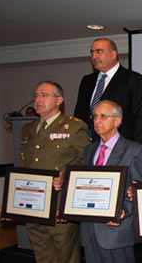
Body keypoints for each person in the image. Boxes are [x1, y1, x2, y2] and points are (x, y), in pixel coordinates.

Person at [19, 81, 90, 263]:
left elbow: (87, 166)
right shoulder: (27, 130)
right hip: (33, 205)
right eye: (36, 96)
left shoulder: (73, 127)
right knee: (42, 256)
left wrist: (66, 179)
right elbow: (22, 169)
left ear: (59, 100)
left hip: (60, 206)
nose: (38, 100)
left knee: (66, 257)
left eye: (44, 95)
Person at [80, 100, 142, 262]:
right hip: (89, 231)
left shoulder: (134, 150)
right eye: (95, 116)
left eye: (103, 117)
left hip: (116, 230)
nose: (97, 121)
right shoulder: (89, 150)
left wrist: (124, 210)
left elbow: (140, 189)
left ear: (117, 121)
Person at [74, 38, 142, 145]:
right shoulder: (87, 81)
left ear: (113, 54)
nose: (94, 57)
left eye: (99, 51)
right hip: (88, 148)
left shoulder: (132, 79)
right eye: (92, 52)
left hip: (121, 148)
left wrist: (136, 151)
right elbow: (79, 116)